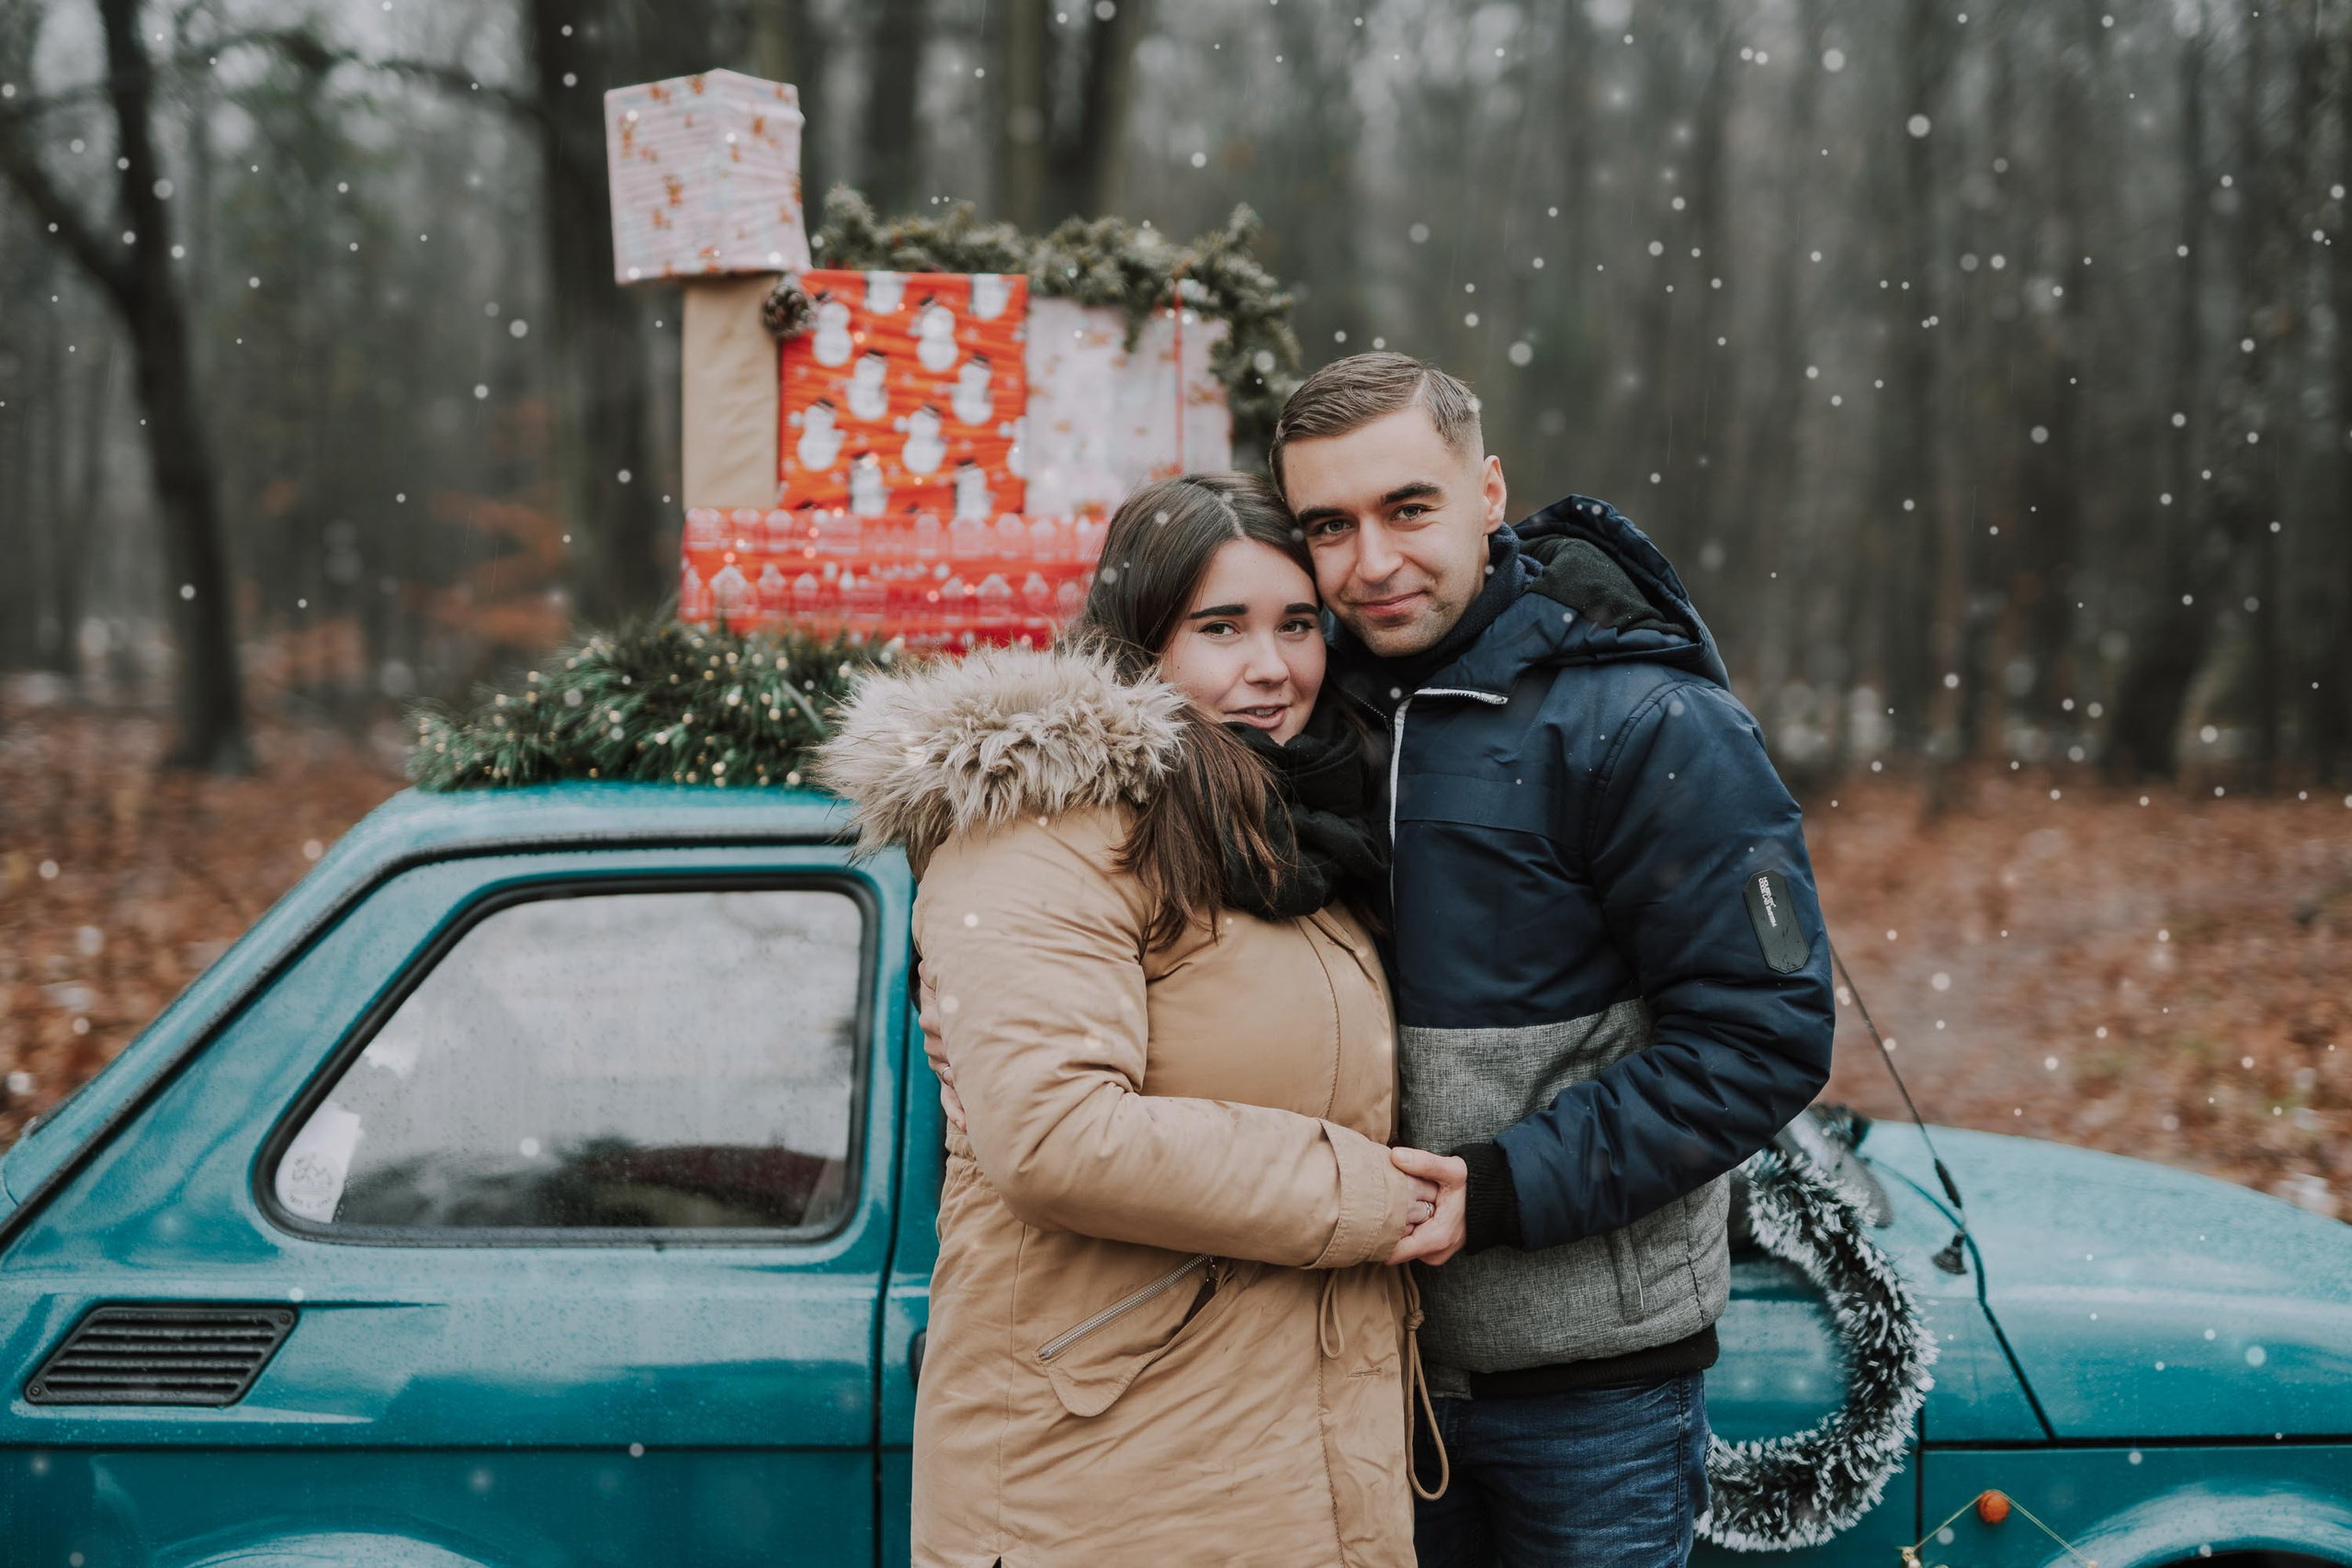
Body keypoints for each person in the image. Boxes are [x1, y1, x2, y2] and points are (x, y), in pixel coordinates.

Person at [815, 471, 1456, 1568]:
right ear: (1138, 644)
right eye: (1221, 628)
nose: (1270, 667)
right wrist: (1367, 1197)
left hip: (1281, 1468)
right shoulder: (1040, 830)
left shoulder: (1296, 836)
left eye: (1296, 624)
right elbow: (1058, 1138)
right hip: (1102, 1483)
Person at [1267, 351, 1839, 1568]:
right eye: (1329, 524)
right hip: (1355, 1369)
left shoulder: (1644, 720)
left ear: (1488, 491)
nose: (1369, 562)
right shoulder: (1290, 710)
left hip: (1593, 1392)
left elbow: (1762, 1034)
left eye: (1407, 507)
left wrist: (1510, 1184)